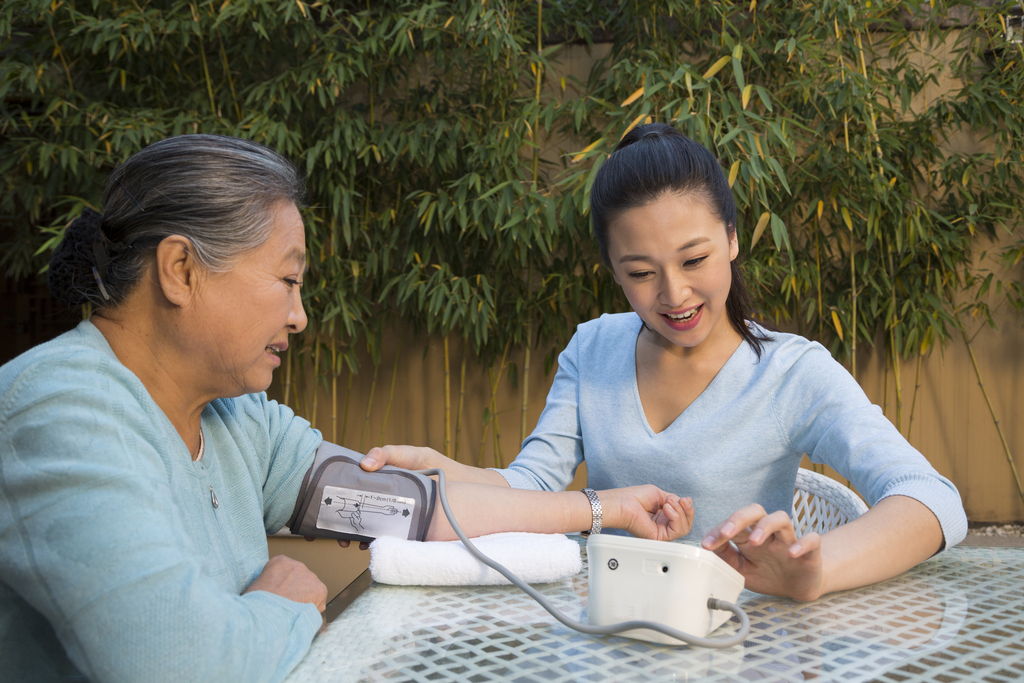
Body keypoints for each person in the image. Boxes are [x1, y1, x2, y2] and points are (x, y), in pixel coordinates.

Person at [0, 134, 694, 683]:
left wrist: (601, 508)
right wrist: (284, 601)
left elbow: (411, 506)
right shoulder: (59, 410)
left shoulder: (238, 420)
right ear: (181, 269)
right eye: (287, 279)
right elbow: (180, 664)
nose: (300, 316)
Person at [362, 122, 968, 603]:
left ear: (732, 239)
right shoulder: (592, 349)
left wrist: (815, 571)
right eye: (642, 274)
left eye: (695, 259)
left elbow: (930, 497)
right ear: (613, 271)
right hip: (605, 636)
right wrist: (452, 473)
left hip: (743, 647)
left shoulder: (792, 374)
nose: (673, 295)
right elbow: (533, 488)